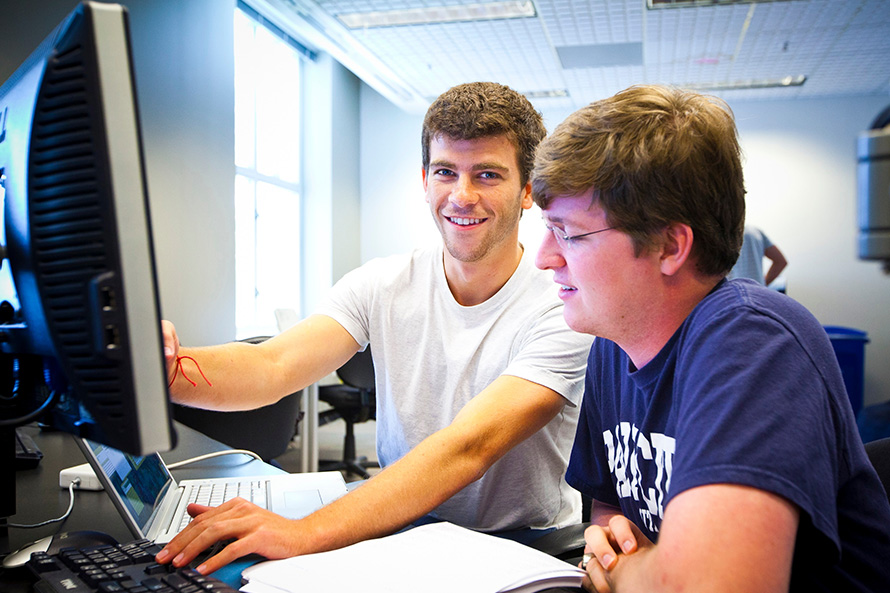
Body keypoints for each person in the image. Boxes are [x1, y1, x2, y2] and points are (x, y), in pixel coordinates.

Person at [156, 82, 592, 574]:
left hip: (523, 545)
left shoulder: (564, 303)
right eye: (446, 172)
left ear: (528, 188)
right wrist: (155, 370)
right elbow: (271, 365)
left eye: (487, 175)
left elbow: (469, 447)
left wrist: (305, 532)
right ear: (425, 180)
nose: (462, 196)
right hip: (401, 525)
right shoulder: (383, 282)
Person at [532, 85, 890, 592]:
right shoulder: (612, 348)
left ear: (668, 245)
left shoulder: (754, 341)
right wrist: (613, 546)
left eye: (568, 232)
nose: (544, 256)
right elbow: (608, 511)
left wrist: (628, 570)